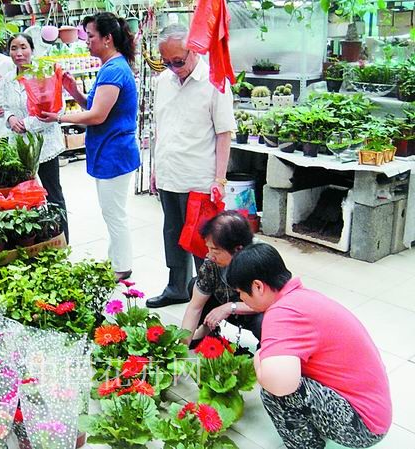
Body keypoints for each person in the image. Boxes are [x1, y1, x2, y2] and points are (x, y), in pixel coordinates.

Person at [226, 243, 391, 449]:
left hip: (364, 426)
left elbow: (280, 384)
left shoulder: (282, 313)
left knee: (276, 392)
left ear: (258, 286)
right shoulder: (301, 298)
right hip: (374, 410)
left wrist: (259, 357)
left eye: (241, 292)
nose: (241, 298)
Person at [40, 12, 140, 280]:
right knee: (112, 212)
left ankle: (121, 266)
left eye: (91, 36)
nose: (86, 41)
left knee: (114, 213)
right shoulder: (110, 68)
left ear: (107, 39)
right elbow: (92, 106)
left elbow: (97, 116)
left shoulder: (115, 70)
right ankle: (116, 261)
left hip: (114, 152)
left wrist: (59, 117)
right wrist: (73, 91)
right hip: (110, 150)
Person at [146, 24, 235, 308]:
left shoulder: (215, 81)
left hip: (199, 177)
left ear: (194, 49)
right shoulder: (164, 82)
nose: (173, 68)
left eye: (178, 61)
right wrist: (156, 169)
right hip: (170, 173)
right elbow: (162, 127)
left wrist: (219, 180)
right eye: (167, 62)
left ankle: (209, 296)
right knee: (172, 234)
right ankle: (176, 287)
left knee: (202, 243)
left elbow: (224, 133)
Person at [3, 33, 69, 242]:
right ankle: (39, 240)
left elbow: (57, 108)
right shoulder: (8, 78)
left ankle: (62, 239)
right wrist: (11, 118)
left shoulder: (44, 74)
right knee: (27, 195)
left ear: (32, 49)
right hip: (21, 148)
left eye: (23, 47)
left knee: (53, 194)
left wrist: (26, 125)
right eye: (14, 48)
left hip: (45, 146)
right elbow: (6, 107)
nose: (19, 53)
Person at [181, 211, 263, 347]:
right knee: (194, 285)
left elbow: (271, 302)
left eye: (215, 250)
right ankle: (207, 330)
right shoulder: (211, 263)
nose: (210, 255)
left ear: (238, 249)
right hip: (225, 305)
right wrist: (181, 348)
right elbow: (195, 308)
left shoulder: (261, 260)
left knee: (264, 321)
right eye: (208, 248)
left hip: (254, 311)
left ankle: (265, 353)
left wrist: (230, 307)